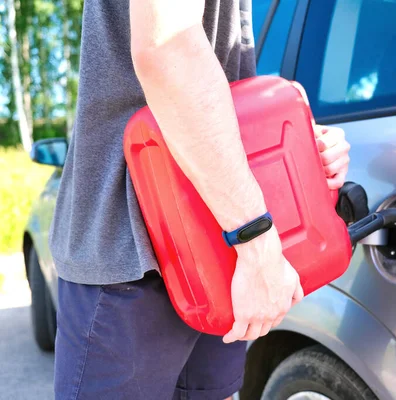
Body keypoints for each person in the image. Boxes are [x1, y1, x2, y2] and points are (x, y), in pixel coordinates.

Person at [48, 1, 351, 399]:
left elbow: (221, 94)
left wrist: (303, 150)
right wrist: (256, 242)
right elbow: (166, 48)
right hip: (138, 249)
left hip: (216, 253)